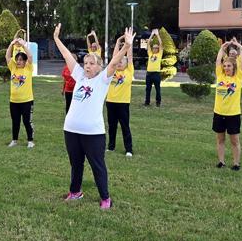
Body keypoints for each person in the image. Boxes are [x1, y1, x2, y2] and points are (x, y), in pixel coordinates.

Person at [54, 23, 135, 209]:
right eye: (86, 63)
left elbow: (114, 62)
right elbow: (67, 55)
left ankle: (105, 198)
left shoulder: (103, 79)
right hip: (71, 130)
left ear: (99, 67)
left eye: (92, 63)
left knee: (98, 166)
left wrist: (127, 46)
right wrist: (57, 39)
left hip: (93, 133)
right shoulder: (80, 76)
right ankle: (75, 192)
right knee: (76, 164)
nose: (87, 66)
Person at [212, 39, 242, 170]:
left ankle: (236, 163)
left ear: (233, 67)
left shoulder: (238, 77)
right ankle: (221, 161)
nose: (226, 68)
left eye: (229, 66)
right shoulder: (220, 76)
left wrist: (239, 47)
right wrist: (222, 48)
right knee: (220, 139)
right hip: (219, 112)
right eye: (225, 66)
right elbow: (217, 61)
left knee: (234, 140)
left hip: (233, 114)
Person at [106, 35, 135, 157]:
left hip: (123, 103)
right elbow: (114, 57)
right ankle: (111, 147)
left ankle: (129, 149)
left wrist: (129, 43)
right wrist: (118, 41)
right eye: (118, 61)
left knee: (124, 126)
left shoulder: (129, 71)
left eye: (121, 61)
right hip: (110, 102)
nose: (119, 63)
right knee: (112, 126)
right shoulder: (112, 71)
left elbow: (129, 56)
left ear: (127, 64)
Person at [7, 36, 35, 148]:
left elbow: (30, 56)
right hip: (13, 101)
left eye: (20, 60)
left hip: (26, 100)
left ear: (24, 61)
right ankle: (14, 140)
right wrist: (12, 44)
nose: (18, 61)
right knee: (15, 121)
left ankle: (30, 141)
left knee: (27, 121)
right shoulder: (13, 68)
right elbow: (8, 56)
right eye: (17, 59)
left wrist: (23, 45)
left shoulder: (28, 68)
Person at [144, 31, 163, 107]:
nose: (155, 49)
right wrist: (152, 34)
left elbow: (161, 44)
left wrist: (157, 35)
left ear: (158, 49)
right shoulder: (150, 53)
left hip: (156, 74)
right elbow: (148, 43)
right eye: (154, 47)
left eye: (156, 48)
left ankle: (158, 102)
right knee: (148, 89)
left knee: (157, 89)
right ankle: (147, 102)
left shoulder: (159, 54)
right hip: (149, 74)